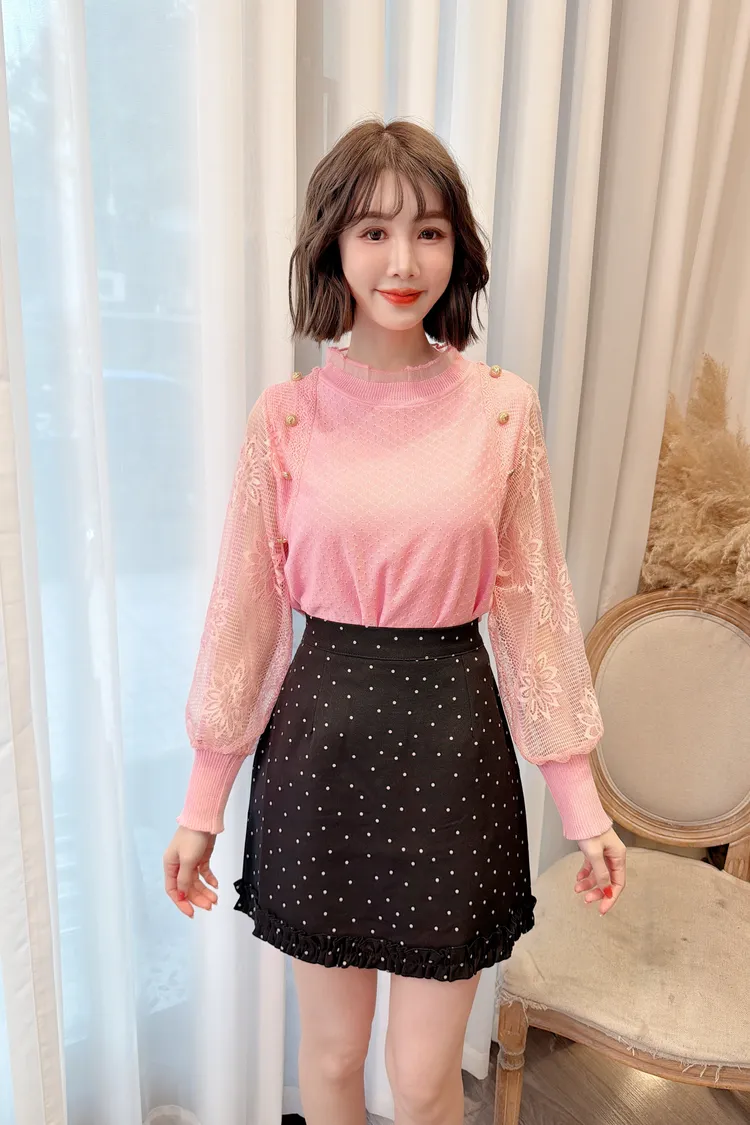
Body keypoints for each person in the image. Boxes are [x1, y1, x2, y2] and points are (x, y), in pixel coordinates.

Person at [163, 117, 627, 1125]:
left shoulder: (501, 411)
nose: (403, 261)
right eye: (373, 231)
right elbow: (245, 615)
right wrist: (203, 801)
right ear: (333, 244)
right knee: (331, 1059)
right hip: (320, 758)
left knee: (421, 1083)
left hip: (452, 759)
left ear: (458, 249)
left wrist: (581, 802)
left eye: (429, 232)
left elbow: (535, 611)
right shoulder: (286, 417)